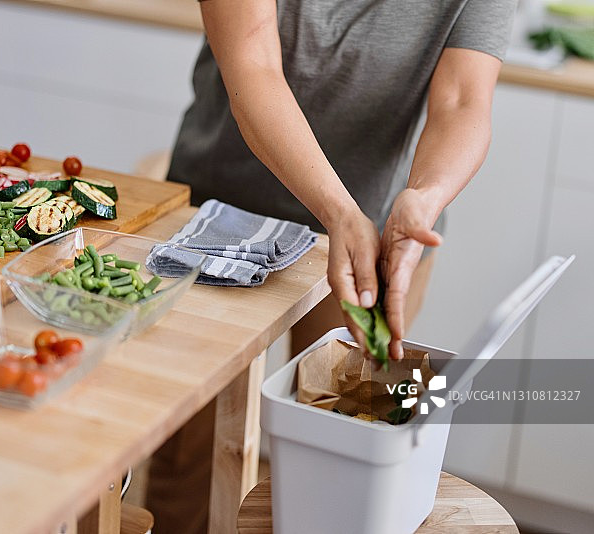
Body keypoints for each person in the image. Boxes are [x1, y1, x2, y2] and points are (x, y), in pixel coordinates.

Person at [147, 1, 517, 532]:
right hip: (225, 218)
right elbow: (253, 65)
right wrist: (338, 210)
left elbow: (463, 100)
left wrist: (425, 197)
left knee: (356, 442)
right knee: (189, 459)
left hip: (383, 231)